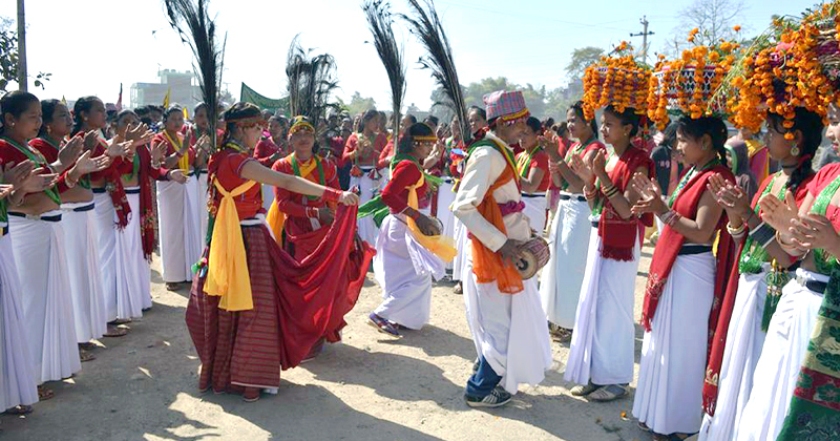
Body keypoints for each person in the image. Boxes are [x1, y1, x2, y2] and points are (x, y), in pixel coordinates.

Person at [185, 102, 362, 402]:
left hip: (224, 240)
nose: (261, 133)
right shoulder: (239, 162)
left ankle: (226, 372)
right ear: (241, 128)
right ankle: (249, 377)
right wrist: (336, 195)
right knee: (255, 309)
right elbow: (287, 182)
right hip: (245, 240)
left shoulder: (220, 157)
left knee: (230, 309)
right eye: (257, 128)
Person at [698, 108, 820, 441]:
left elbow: (790, 255)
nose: (765, 135)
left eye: (773, 130)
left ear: (795, 141)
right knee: (735, 369)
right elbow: (743, 239)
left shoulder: (809, 186)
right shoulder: (769, 179)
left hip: (773, 290)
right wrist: (735, 215)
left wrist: (748, 216)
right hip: (749, 282)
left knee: (757, 372)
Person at [630, 116, 736, 439]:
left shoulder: (718, 177)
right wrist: (657, 203)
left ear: (705, 143)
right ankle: (657, 415)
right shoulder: (695, 171)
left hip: (693, 272)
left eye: (682, 140)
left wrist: (662, 209)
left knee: (684, 350)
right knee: (664, 343)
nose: (676, 146)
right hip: (677, 268)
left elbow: (703, 230)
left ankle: (679, 422)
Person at [733, 106, 835, 441]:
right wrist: (783, 227)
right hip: (797, 297)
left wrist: (834, 245)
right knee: (768, 396)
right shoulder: (828, 174)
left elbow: (824, 244)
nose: (833, 130)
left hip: (827, 313)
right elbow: (792, 250)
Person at [0, 91, 107, 400]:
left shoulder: (23, 147)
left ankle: (39, 370)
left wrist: (64, 166)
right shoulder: (8, 148)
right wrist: (19, 188)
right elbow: (19, 196)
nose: (37, 123)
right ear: (10, 119)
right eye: (32, 117)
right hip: (28, 230)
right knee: (31, 306)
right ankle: (28, 377)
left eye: (38, 116)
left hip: (43, 228)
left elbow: (42, 185)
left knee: (46, 302)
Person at [452, 90, 552, 408]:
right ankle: (482, 388)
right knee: (498, 321)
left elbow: (503, 204)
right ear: (504, 121)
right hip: (493, 252)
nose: (524, 126)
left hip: (504, 248)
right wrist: (502, 243)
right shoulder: (487, 155)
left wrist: (523, 230)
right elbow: (463, 207)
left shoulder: (500, 151)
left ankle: (493, 377)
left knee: (502, 320)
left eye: (524, 120)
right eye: (519, 120)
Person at [564, 104, 654, 402]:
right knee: (594, 304)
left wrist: (599, 175)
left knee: (614, 308)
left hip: (622, 244)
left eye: (610, 124)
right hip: (599, 235)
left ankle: (615, 379)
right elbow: (596, 206)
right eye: (602, 124)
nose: (603, 129)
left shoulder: (639, 160)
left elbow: (627, 210)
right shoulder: (609, 156)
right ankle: (595, 374)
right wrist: (590, 180)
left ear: (628, 128)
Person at [30, 99, 107, 359]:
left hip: (74, 217)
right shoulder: (39, 147)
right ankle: (72, 342)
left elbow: (88, 176)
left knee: (79, 279)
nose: (69, 119)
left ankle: (81, 337)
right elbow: (50, 184)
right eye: (61, 115)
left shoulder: (64, 144)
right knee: (69, 283)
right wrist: (70, 169)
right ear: (48, 124)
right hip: (62, 217)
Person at [367, 122, 456, 337]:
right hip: (401, 225)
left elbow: (405, 188)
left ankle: (397, 318)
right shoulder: (409, 166)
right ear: (417, 144)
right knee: (420, 275)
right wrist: (416, 215)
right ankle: (381, 314)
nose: (430, 149)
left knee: (402, 276)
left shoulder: (408, 163)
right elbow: (388, 195)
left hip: (399, 223)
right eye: (428, 144)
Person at [71, 96, 142, 332]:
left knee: (107, 257)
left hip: (105, 199)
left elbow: (117, 169)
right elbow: (93, 173)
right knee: (103, 258)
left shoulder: (99, 138)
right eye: (99, 110)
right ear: (84, 115)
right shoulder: (81, 140)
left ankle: (109, 314)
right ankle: (103, 317)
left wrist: (127, 149)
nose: (104, 114)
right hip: (97, 199)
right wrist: (114, 153)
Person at [540, 102, 605, 342]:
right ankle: (557, 317)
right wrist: (553, 162)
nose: (570, 125)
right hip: (565, 206)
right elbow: (559, 181)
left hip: (579, 209)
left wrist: (556, 156)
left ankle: (571, 321)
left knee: (572, 266)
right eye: (568, 120)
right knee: (558, 263)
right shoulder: (575, 146)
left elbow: (579, 185)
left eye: (574, 120)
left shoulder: (595, 149)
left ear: (588, 122)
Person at [115, 110, 180, 313]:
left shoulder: (141, 147)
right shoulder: (112, 146)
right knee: (124, 250)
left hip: (140, 200)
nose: (132, 126)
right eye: (126, 122)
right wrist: (131, 146)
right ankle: (123, 302)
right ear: (115, 125)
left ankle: (140, 297)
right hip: (119, 205)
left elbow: (150, 171)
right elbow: (118, 171)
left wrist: (169, 174)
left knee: (138, 250)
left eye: (135, 122)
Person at [271, 116, 341, 258]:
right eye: (297, 133)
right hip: (296, 231)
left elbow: (337, 198)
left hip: (325, 227)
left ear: (314, 138)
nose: (303, 138)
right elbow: (283, 205)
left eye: (308, 133)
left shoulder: (327, 166)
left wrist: (343, 226)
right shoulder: (282, 166)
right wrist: (314, 212)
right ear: (290, 138)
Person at [152, 105, 203, 291]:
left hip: (187, 185)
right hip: (169, 186)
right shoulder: (159, 139)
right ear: (165, 121)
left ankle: (189, 272)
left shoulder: (183, 137)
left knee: (188, 228)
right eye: (173, 119)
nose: (177, 122)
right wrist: (182, 150)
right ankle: (172, 275)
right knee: (172, 230)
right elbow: (161, 165)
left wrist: (197, 151)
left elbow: (192, 162)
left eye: (180, 119)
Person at [452, 106, 489, 295]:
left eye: (476, 120)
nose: (472, 124)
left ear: (485, 122)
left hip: (480, 198)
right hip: (464, 195)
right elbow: (454, 167)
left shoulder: (489, 144)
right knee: (461, 238)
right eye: (470, 121)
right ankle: (461, 278)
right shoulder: (467, 143)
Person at [342, 109, 387, 245]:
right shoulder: (354, 137)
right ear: (366, 121)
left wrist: (375, 153)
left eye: (379, 121)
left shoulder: (381, 137)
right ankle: (361, 243)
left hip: (376, 178)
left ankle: (374, 245)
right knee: (360, 209)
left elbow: (386, 158)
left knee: (375, 209)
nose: (377, 124)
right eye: (374, 120)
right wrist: (357, 152)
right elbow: (343, 158)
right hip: (359, 178)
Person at [184, 102, 221, 242]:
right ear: (193, 117)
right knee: (200, 215)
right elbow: (192, 160)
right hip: (196, 180)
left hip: (214, 180)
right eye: (200, 116)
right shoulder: (188, 133)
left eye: (207, 116)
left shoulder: (219, 134)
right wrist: (198, 150)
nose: (204, 119)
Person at [515, 116, 550, 233]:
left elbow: (531, 187)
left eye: (526, 133)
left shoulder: (540, 156)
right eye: (520, 134)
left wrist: (508, 171)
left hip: (533, 207)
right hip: (518, 205)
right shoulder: (519, 156)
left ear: (537, 134)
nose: (521, 138)